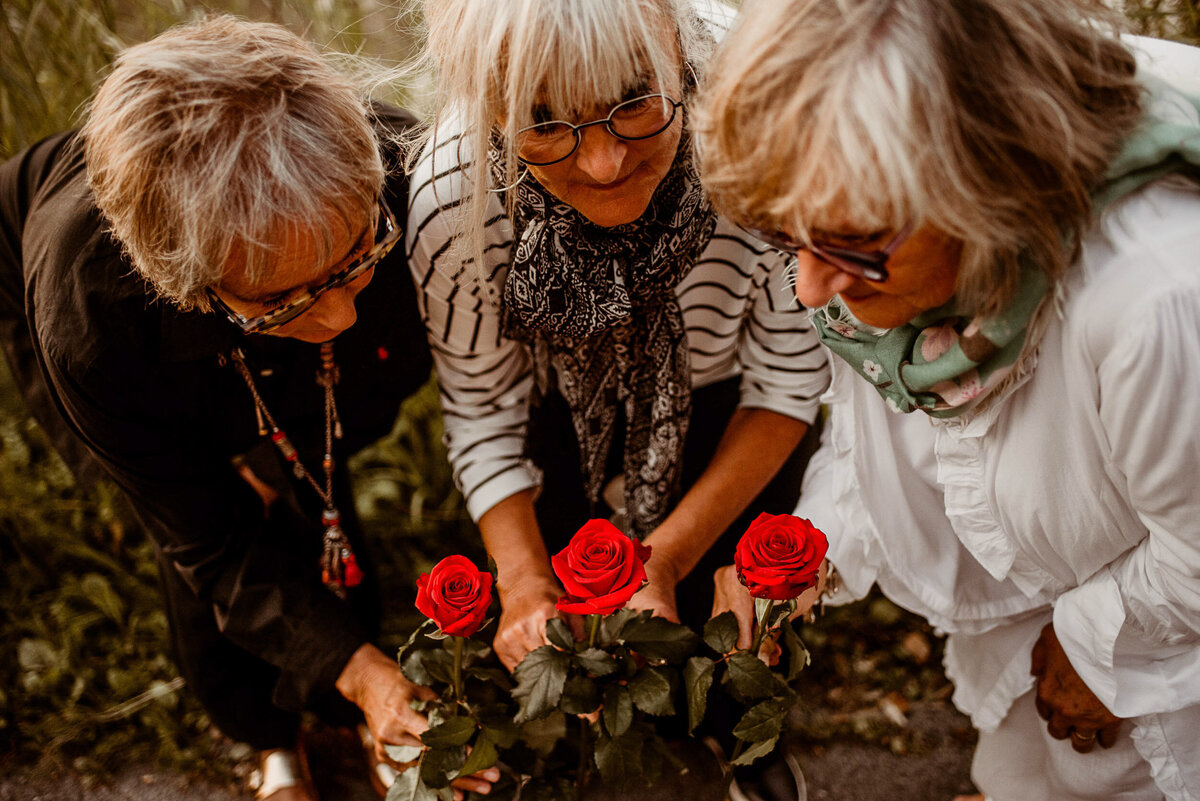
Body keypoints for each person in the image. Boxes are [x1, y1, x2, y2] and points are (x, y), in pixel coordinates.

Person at [697, 0, 1200, 799]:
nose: (808, 285)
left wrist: (1098, 635)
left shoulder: (1159, 297)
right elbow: (875, 430)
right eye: (784, 238)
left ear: (986, 173)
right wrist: (806, 552)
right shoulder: (864, 223)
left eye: (850, 245)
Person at [0, 17, 496, 801]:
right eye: (284, 299)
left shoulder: (412, 173)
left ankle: (345, 681)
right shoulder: (90, 316)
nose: (339, 318)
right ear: (183, 280)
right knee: (210, 512)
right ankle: (271, 742)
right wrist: (367, 675)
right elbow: (207, 543)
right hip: (110, 318)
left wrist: (298, 302)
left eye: (357, 258)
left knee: (304, 469)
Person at [405, 0, 829, 797]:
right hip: (559, 416)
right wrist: (525, 583)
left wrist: (665, 559)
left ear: (679, 49)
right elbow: (484, 407)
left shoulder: (770, 133)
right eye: (543, 122)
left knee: (737, 622)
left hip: (730, 406)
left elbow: (787, 380)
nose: (601, 163)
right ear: (493, 105)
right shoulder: (452, 195)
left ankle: (749, 742)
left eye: (634, 101)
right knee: (589, 644)